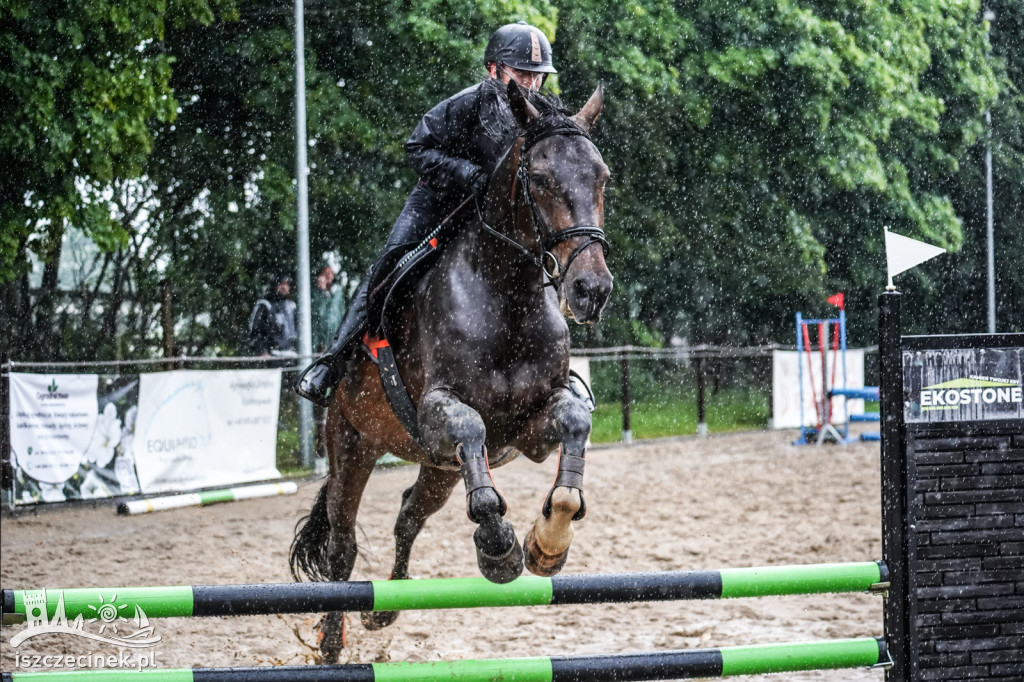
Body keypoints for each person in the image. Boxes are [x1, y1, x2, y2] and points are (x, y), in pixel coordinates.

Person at [296, 21, 557, 406]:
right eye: (522, 74)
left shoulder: (543, 111)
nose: (531, 86)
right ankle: (331, 365)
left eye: (537, 77)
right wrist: (468, 174)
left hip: (495, 216)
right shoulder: (467, 102)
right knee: (390, 261)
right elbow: (417, 147)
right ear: (494, 69)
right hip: (439, 201)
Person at [248, 274, 298, 357]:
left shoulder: (292, 305)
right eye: (281, 284)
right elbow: (256, 330)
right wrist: (262, 350)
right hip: (273, 354)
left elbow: (298, 329)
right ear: (275, 286)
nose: (284, 287)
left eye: (287, 284)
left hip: (293, 354)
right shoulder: (265, 304)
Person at [311, 263, 346, 353]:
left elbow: (342, 311)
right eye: (326, 273)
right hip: (320, 338)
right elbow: (318, 312)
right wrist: (321, 291)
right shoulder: (315, 293)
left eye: (331, 273)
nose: (329, 276)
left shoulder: (338, 291)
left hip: (336, 335)